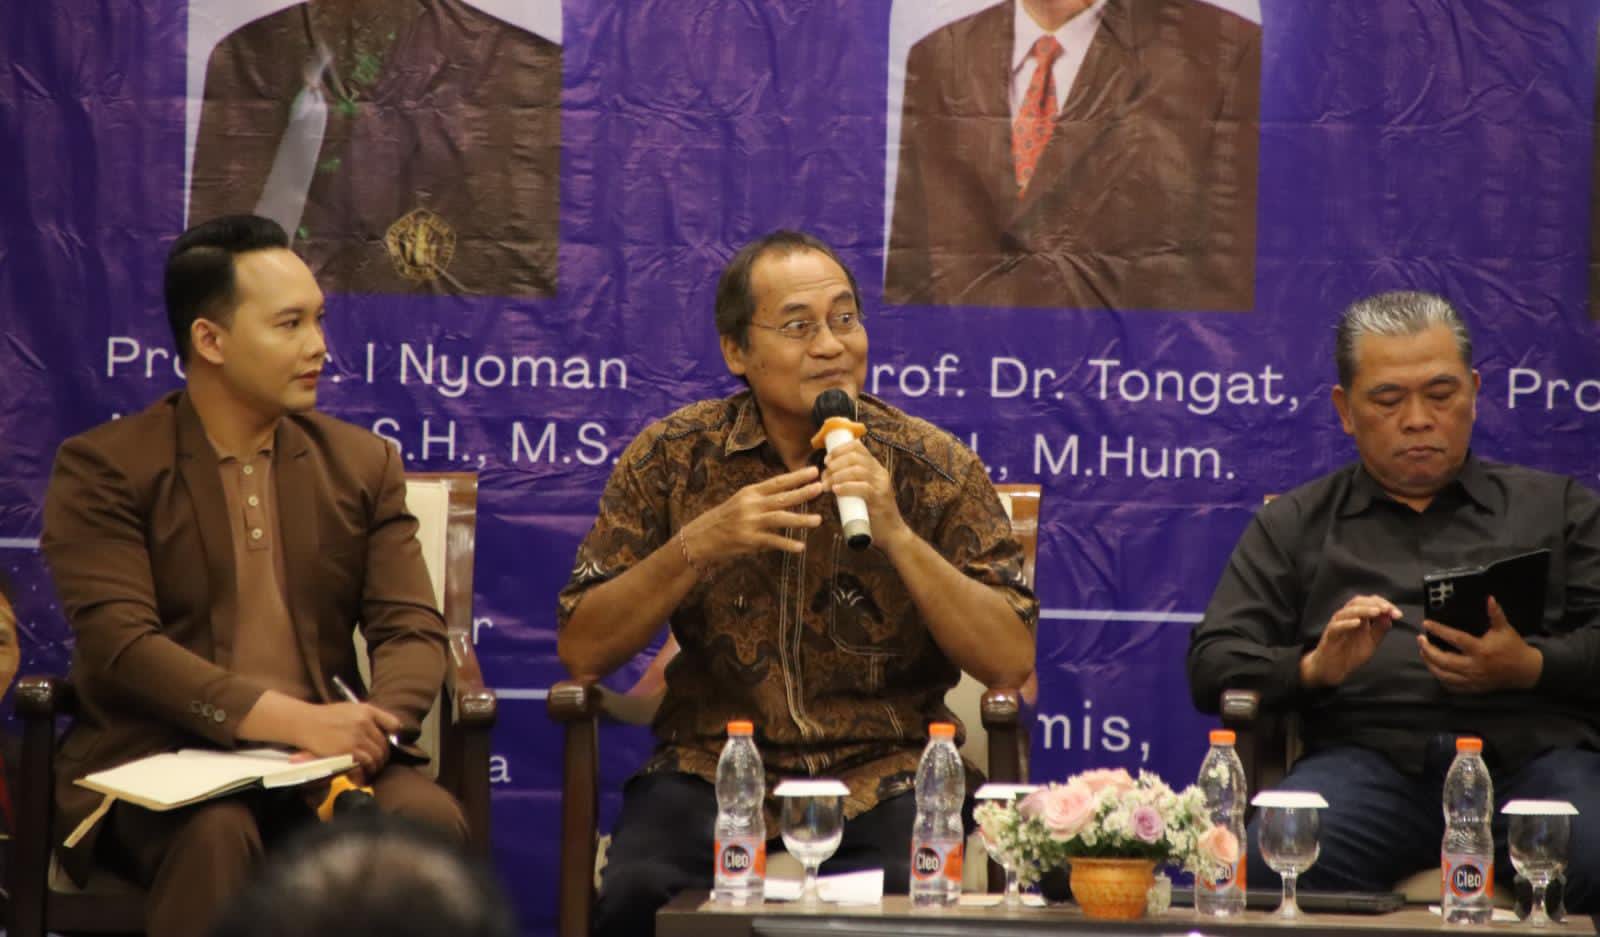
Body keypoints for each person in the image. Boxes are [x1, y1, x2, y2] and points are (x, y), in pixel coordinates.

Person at [558, 230, 1039, 936]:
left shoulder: (933, 466)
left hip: (887, 774)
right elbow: (582, 648)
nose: (831, 346)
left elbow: (1010, 659)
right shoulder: (671, 459)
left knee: (907, 899)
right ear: (736, 351)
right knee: (639, 893)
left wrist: (898, 534)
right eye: (798, 326)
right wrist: (696, 546)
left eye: (844, 319)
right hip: (712, 767)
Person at [41, 214, 467, 937]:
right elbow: (124, 647)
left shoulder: (360, 464)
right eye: (290, 324)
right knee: (216, 832)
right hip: (155, 763)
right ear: (210, 340)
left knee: (423, 818)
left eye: (319, 319)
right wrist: (297, 720)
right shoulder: (106, 468)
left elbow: (411, 629)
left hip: (323, 762)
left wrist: (371, 725)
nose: (318, 345)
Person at [1187, 291, 1600, 909]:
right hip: (1368, 767)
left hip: (1534, 763)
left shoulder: (1559, 509)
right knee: (1270, 867)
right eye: (1387, 400)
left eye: (1441, 394)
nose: (1417, 419)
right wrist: (1313, 668)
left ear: (1474, 392)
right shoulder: (1297, 524)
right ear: (1345, 410)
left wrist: (1531, 666)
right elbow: (1213, 662)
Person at [884, 0, 1259, 311]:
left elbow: (1228, 295)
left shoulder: (1222, 54)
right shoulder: (936, 58)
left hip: (1128, 374)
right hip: (960, 370)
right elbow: (910, 275)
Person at [188, 0, 560, 297]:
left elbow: (530, 280)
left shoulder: (527, 69)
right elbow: (210, 278)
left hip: (464, 348)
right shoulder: (247, 59)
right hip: (296, 325)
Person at [208, 813, 515, 937]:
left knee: (427, 807)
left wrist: (371, 731)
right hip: (215, 751)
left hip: (362, 745)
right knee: (215, 829)